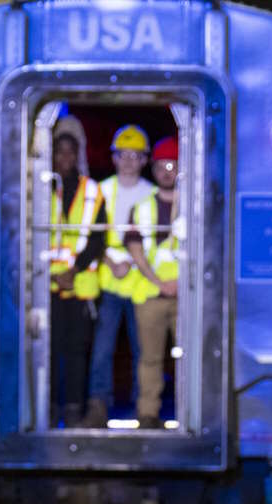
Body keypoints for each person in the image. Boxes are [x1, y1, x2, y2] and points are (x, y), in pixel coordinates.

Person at [83, 125, 156, 428]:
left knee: (143, 350)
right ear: (113, 158)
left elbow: (155, 239)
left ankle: (144, 408)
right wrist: (111, 259)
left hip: (141, 283)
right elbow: (90, 232)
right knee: (102, 348)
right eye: (122, 155)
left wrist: (130, 260)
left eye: (134, 155)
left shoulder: (152, 194)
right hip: (109, 282)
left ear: (144, 160)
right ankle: (98, 406)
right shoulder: (101, 190)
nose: (128, 161)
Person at [45, 128, 107, 427]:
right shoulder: (40, 188)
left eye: (71, 151)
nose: (66, 157)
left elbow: (98, 238)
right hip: (46, 286)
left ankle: (73, 408)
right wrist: (53, 276)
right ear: (52, 154)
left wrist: (74, 270)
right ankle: (48, 406)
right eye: (60, 151)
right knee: (47, 349)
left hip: (81, 286)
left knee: (77, 352)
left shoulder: (93, 190)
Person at [126, 136, 183, 429]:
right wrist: (161, 283)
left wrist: (179, 283)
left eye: (172, 165)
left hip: (188, 297)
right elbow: (135, 249)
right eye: (161, 165)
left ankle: (190, 415)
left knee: (190, 359)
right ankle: (148, 415)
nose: (166, 171)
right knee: (149, 360)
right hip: (151, 296)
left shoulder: (194, 206)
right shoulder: (142, 207)